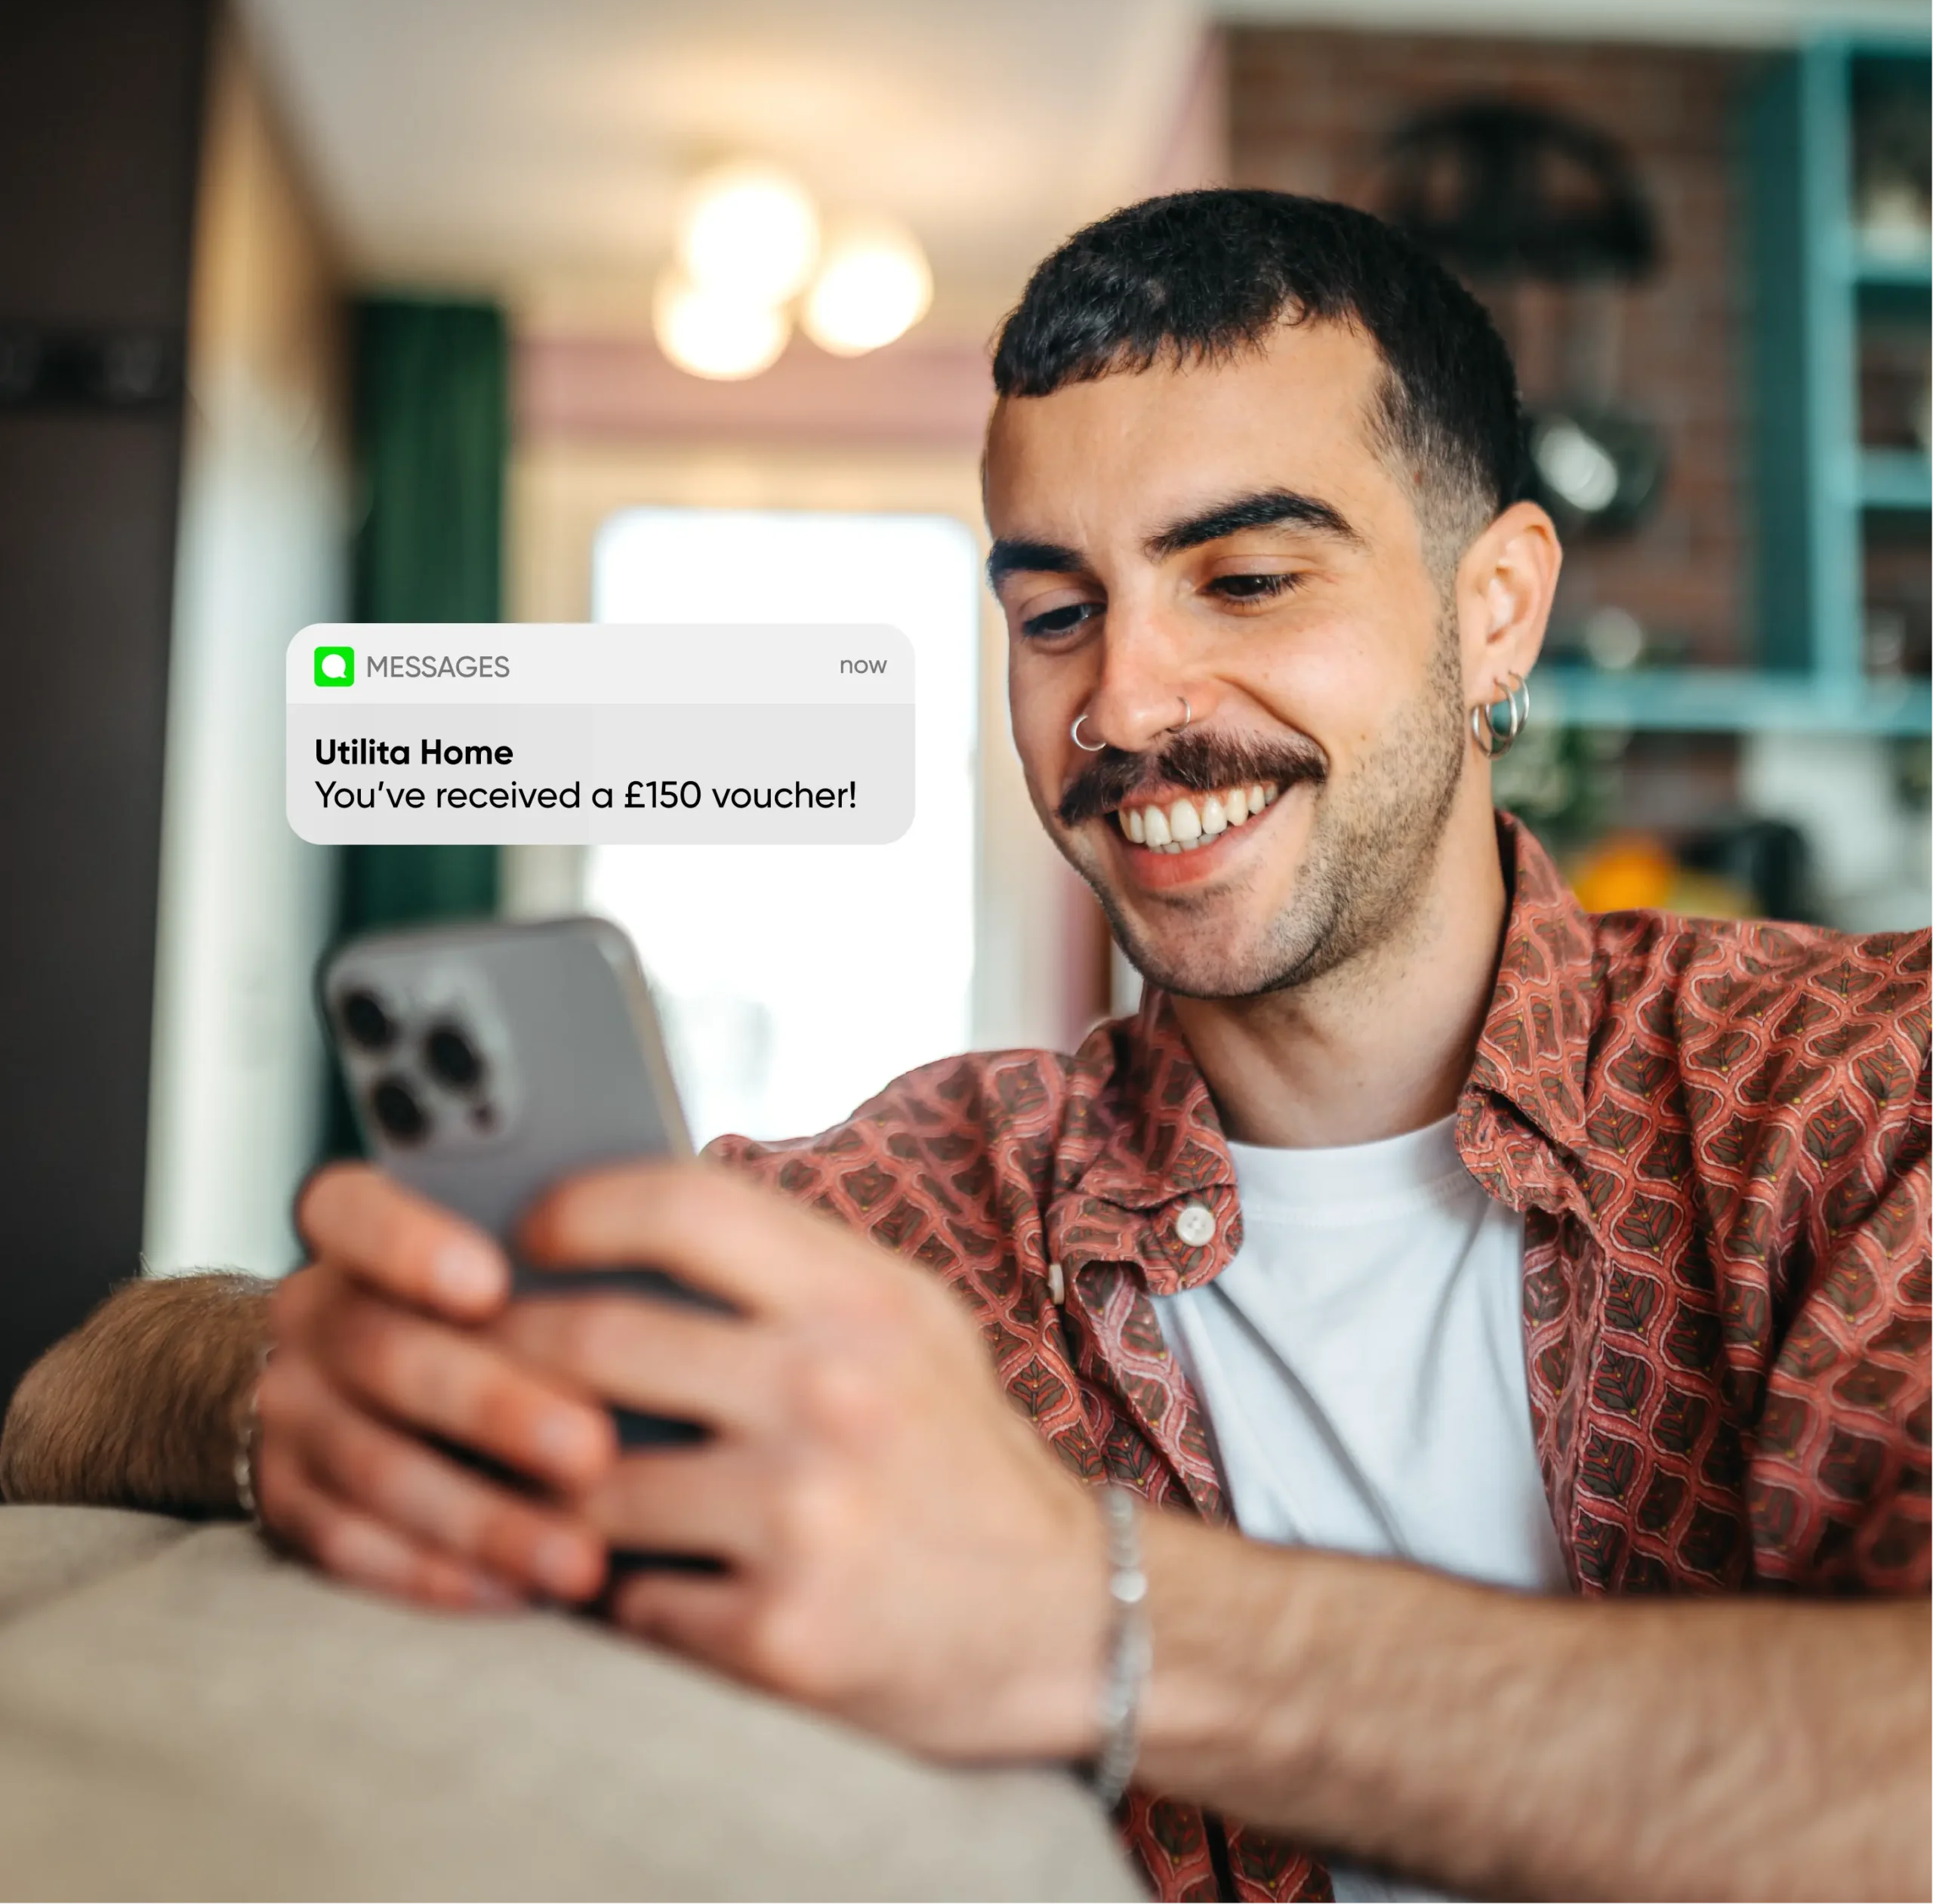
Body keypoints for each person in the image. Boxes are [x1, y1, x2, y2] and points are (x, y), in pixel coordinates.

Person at [8, 190, 1933, 1904]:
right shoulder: (906, 1221)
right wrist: (293, 1386)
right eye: (1052, 610)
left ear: (1492, 606)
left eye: (1246, 578)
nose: (1127, 699)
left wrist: (1089, 1625)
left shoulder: (1849, 1098)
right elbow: (75, 1397)